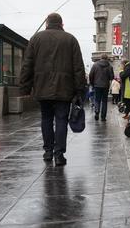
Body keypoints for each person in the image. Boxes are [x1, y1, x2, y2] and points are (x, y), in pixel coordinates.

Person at [20, 13, 86, 166]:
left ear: (46, 24)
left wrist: (25, 87)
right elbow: (78, 67)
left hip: (42, 87)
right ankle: (59, 154)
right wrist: (79, 90)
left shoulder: (36, 39)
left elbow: (27, 65)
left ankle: (48, 151)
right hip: (65, 89)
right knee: (61, 120)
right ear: (62, 24)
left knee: (46, 119)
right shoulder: (70, 39)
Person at [88, 54, 114, 121]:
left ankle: (97, 111)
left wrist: (92, 83)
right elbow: (112, 77)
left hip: (97, 85)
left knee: (97, 100)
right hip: (105, 86)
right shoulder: (109, 66)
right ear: (107, 58)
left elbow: (91, 75)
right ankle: (103, 117)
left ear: (100, 58)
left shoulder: (95, 65)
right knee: (104, 101)